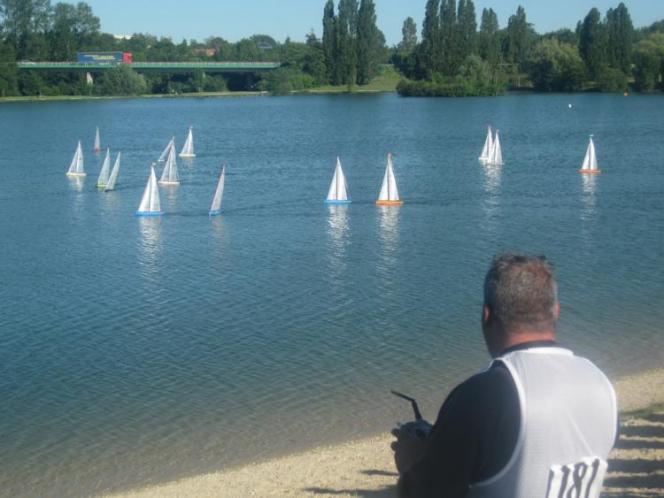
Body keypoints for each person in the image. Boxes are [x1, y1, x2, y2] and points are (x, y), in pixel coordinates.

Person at [392, 253, 617, 498]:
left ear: (486, 315)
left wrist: (412, 462)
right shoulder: (601, 383)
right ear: (556, 311)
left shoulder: (483, 394)